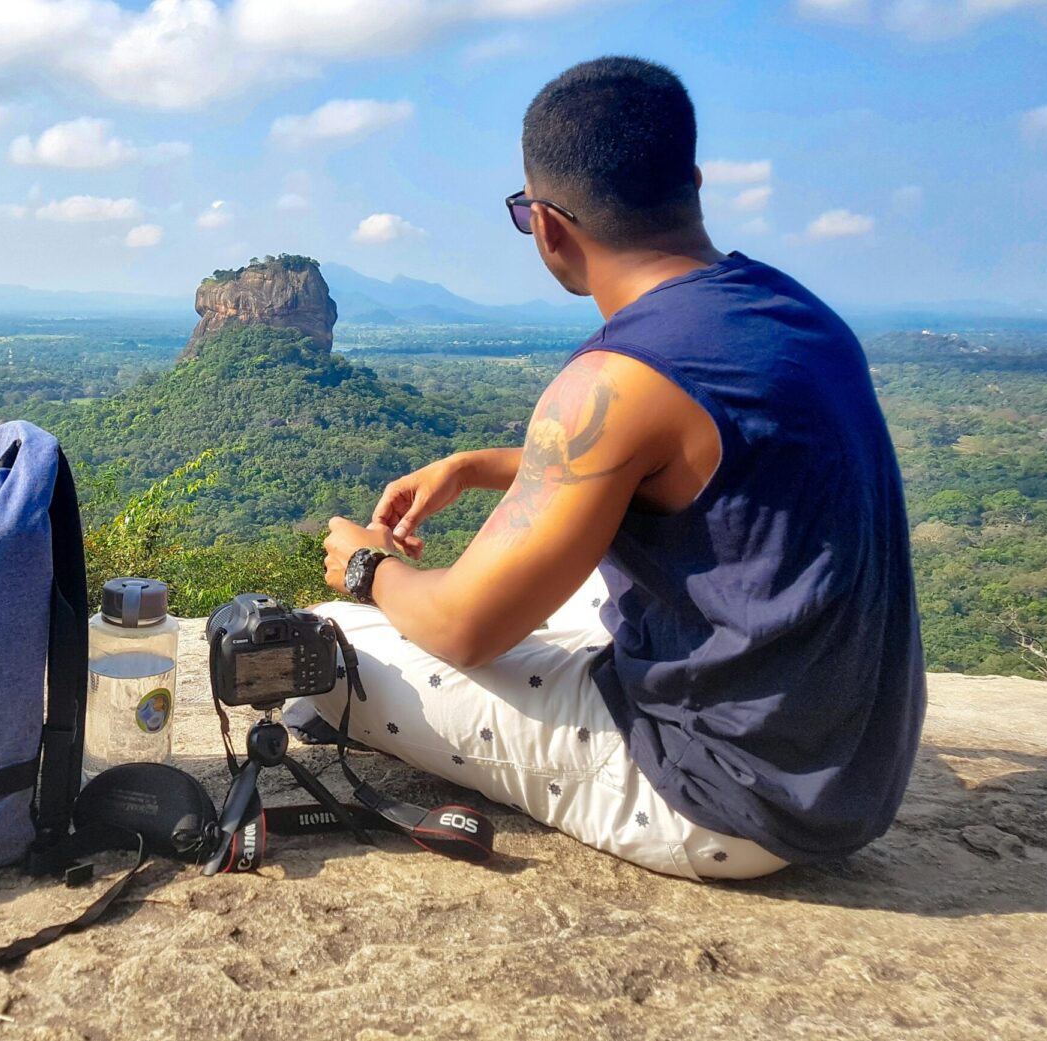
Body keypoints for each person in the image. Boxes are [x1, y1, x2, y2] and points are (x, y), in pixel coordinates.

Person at [304, 56, 925, 880]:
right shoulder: (795, 312)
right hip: (846, 766)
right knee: (585, 580)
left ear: (547, 224)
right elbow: (693, 459)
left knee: (324, 646)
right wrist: (476, 464)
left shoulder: (612, 380)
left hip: (722, 798)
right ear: (693, 182)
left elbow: (462, 626)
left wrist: (364, 566)